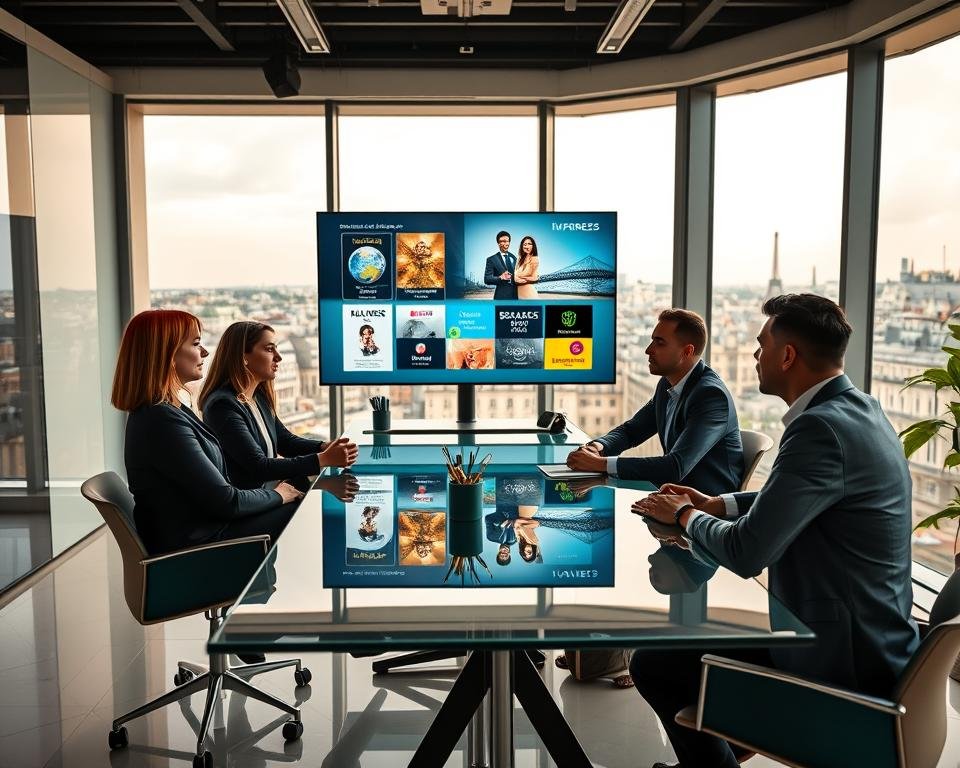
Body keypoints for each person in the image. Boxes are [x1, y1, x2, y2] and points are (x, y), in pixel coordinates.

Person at [632, 294, 920, 768]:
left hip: (838, 658)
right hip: (873, 637)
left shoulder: (819, 430)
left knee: (655, 664)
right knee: (679, 652)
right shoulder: (859, 408)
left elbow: (746, 552)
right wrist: (715, 503)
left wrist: (685, 516)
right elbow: (802, 501)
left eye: (761, 345)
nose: (755, 355)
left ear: (788, 356)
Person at [112, 310, 302, 556]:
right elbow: (227, 501)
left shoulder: (168, 412)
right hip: (200, 550)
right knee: (306, 508)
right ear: (167, 354)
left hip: (205, 534)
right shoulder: (161, 421)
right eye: (196, 343)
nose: (205, 352)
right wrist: (278, 495)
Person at [566, 308, 744, 495]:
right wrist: (597, 448)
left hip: (706, 506)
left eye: (659, 343)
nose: (648, 349)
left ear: (687, 351)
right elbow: (632, 431)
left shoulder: (711, 396)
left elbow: (675, 467)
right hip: (671, 496)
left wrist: (599, 464)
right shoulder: (667, 384)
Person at [198, 321, 358, 491]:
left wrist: (323, 447)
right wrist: (323, 459)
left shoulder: (257, 397)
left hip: (268, 493)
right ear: (243, 357)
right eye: (269, 349)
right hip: (251, 505)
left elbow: (285, 442)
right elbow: (259, 467)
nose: (278, 357)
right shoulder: (222, 406)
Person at [483, 230, 518, 300]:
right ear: (498, 243)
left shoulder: (514, 257)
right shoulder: (491, 259)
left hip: (516, 296)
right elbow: (487, 279)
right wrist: (500, 278)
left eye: (507, 241)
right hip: (501, 297)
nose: (506, 243)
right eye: (502, 241)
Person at [514, 235, 540, 299]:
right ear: (522, 246)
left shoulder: (535, 259)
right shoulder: (519, 259)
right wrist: (516, 278)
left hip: (529, 293)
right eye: (525, 244)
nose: (527, 246)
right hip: (519, 293)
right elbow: (515, 276)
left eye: (529, 244)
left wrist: (520, 278)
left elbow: (535, 278)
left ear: (533, 246)